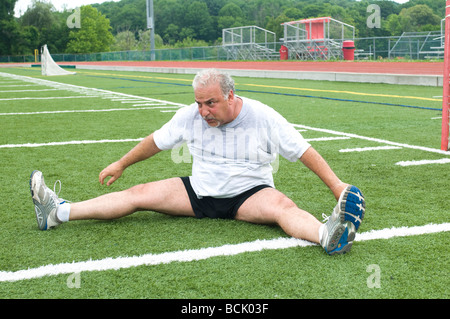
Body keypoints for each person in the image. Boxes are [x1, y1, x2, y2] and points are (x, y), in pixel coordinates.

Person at [29, 68, 365, 255]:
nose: (203, 111)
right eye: (199, 103)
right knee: (137, 194)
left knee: (283, 207)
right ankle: (56, 212)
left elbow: (303, 151)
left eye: (211, 103)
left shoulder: (264, 116)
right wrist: (121, 163)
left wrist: (337, 186)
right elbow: (155, 142)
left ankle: (327, 235)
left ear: (231, 96)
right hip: (198, 192)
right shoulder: (191, 115)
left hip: (248, 194)